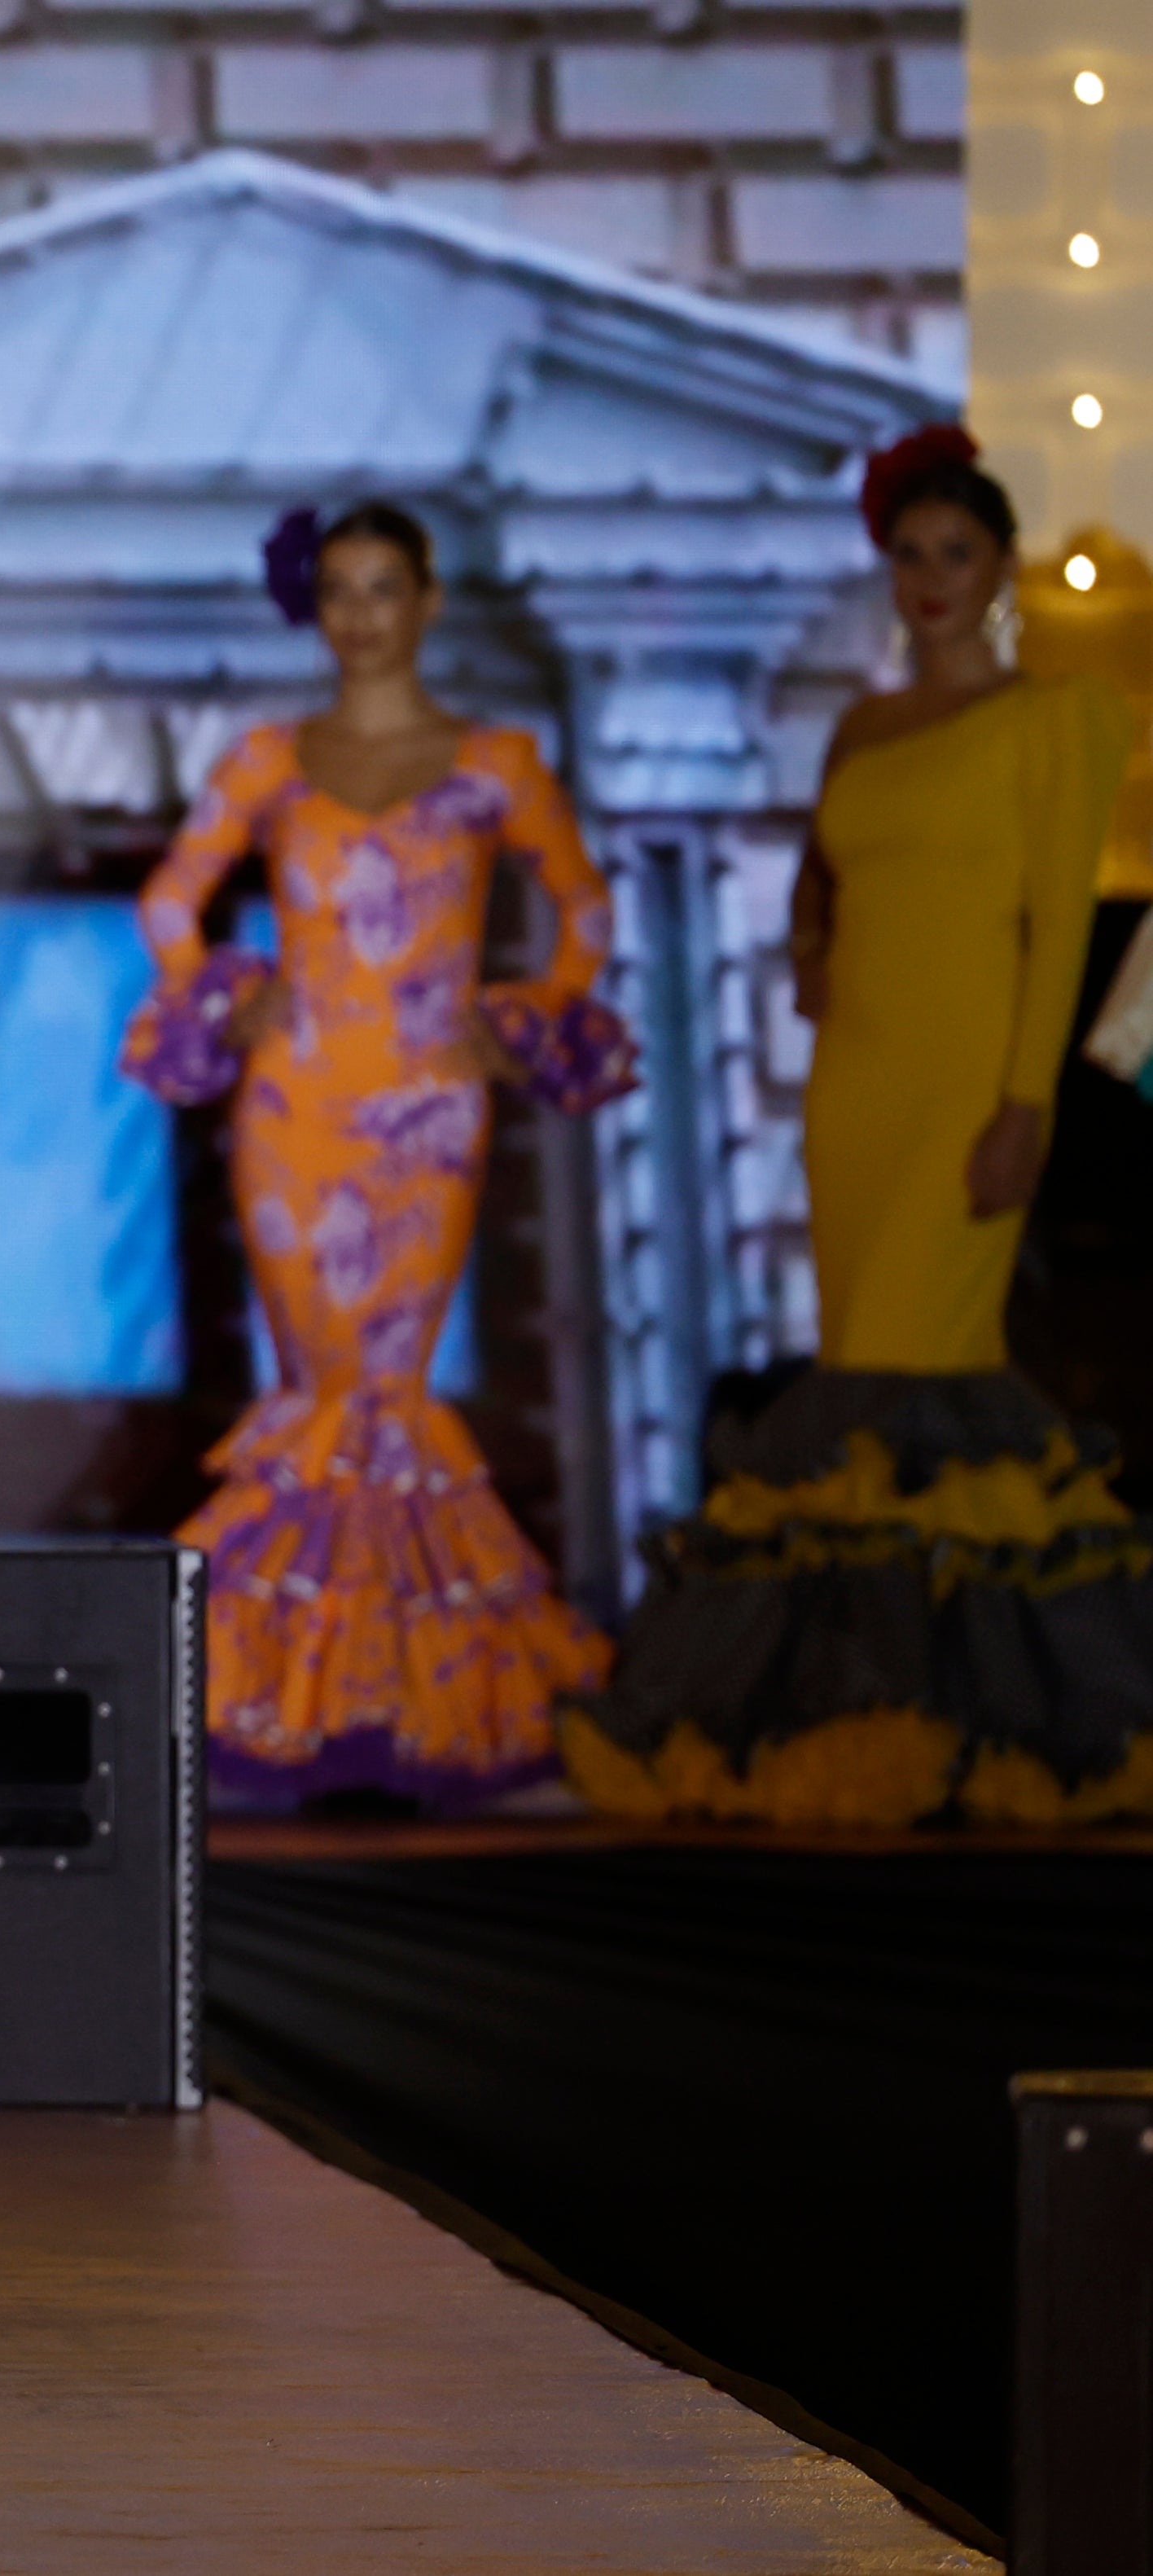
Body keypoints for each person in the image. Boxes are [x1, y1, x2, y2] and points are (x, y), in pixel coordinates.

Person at [568, 428, 1153, 1826]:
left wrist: (1025, 1102)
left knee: (923, 1373)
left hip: (968, 1077)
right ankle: (869, 1704)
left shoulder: (1053, 718)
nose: (931, 579)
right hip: (855, 1085)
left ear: (1000, 566)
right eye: (909, 556)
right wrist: (812, 936)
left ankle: (982, 1717)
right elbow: (822, 874)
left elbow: (1057, 925)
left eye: (957, 555)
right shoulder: (858, 724)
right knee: (856, 1375)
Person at [123, 501, 633, 1811]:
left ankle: (383, 1704)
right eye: (339, 588)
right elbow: (172, 896)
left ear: (427, 599)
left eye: (383, 587)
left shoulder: (491, 760)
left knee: (382, 1394)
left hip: (429, 1109)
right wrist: (225, 994)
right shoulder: (269, 759)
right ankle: (299, 1704)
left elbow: (582, 905)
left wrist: (511, 1019)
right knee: (320, 1391)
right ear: (320, 605)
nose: (360, 613)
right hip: (294, 1108)